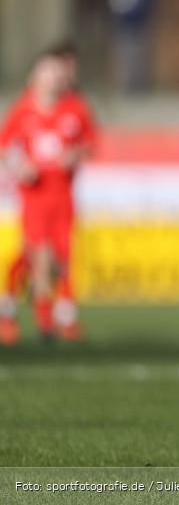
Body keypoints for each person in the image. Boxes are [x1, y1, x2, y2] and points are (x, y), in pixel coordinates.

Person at [0, 43, 97, 345]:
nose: (53, 79)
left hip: (62, 195)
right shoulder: (23, 110)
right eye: (47, 73)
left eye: (57, 73)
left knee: (59, 259)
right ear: (35, 76)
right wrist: (20, 165)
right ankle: (45, 321)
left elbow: (90, 143)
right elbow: (6, 147)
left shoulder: (74, 109)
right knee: (38, 255)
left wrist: (75, 155)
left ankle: (31, 309)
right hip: (35, 195)